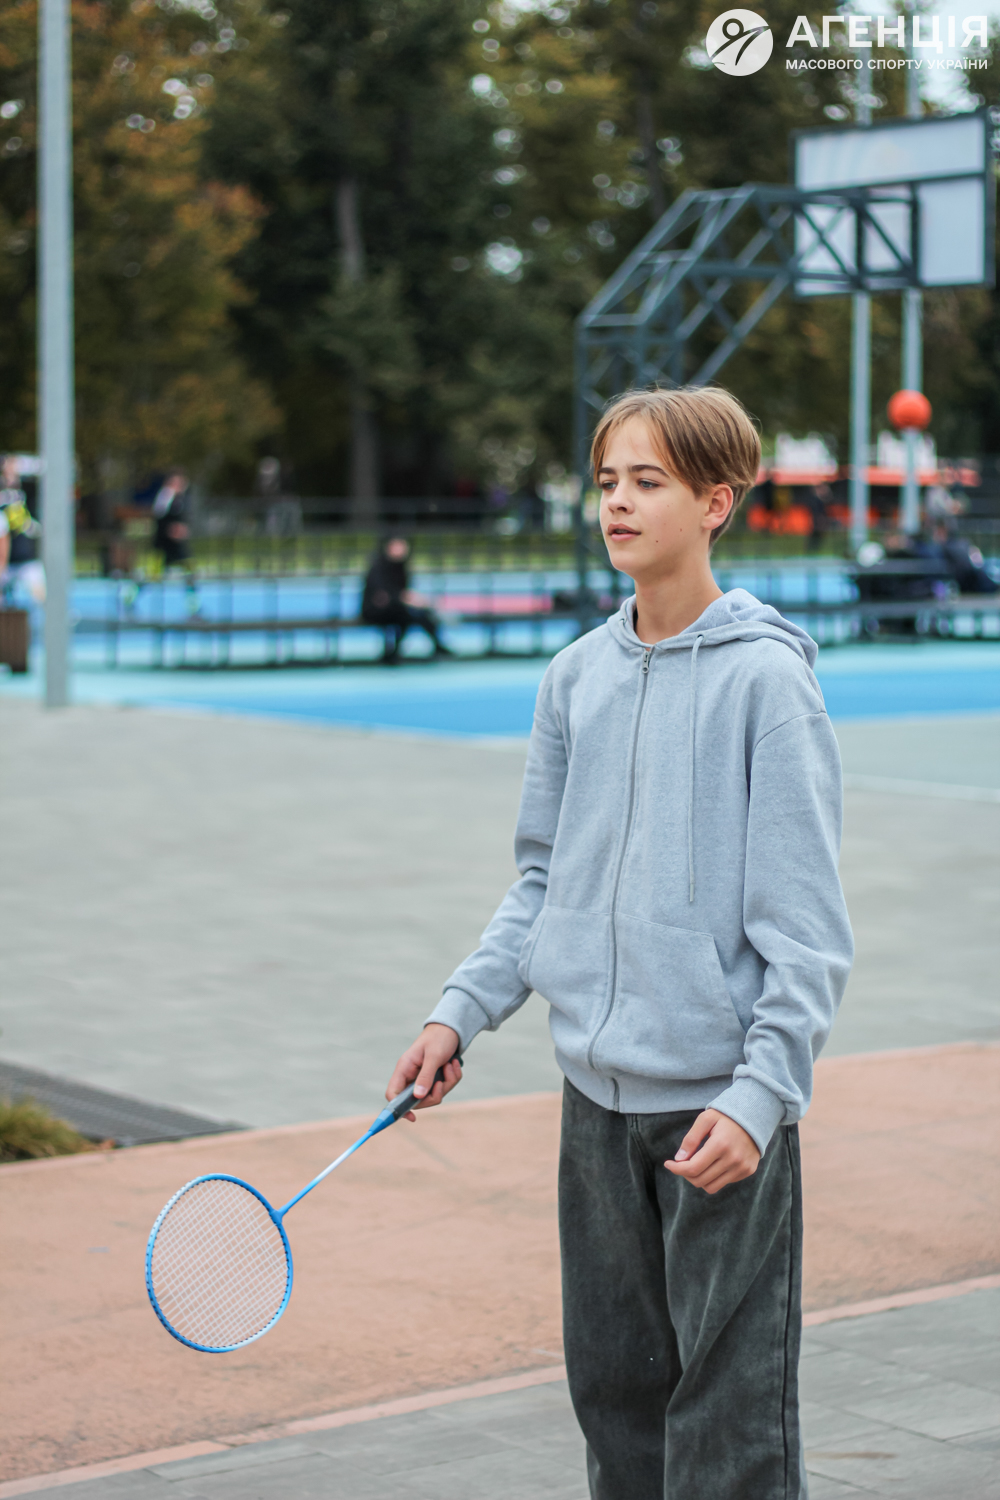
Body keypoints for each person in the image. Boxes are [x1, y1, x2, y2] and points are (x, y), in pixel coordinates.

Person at [385, 386, 853, 1500]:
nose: (618, 504)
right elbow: (542, 882)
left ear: (715, 502)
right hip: (591, 1114)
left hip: (718, 1119)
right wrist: (458, 1012)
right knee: (617, 1410)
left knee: (729, 1435)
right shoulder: (574, 678)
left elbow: (808, 933)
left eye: (647, 481)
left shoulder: (767, 682)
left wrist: (760, 1098)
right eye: (607, 482)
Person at [361, 535, 451, 661]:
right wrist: (409, 600)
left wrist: (417, 601)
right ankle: (392, 652)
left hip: (395, 608)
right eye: (397, 546)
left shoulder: (401, 567)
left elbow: (402, 593)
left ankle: (396, 651)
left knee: (418, 614)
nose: (401, 550)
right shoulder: (378, 567)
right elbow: (383, 595)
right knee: (408, 614)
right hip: (375, 610)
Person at [151, 469, 198, 613]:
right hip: (163, 545)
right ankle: (130, 596)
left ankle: (193, 605)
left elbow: (184, 519)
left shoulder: (182, 499)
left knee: (190, 572)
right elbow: (159, 519)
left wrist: (184, 529)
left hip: (178, 546)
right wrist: (171, 530)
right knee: (152, 576)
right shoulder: (165, 496)